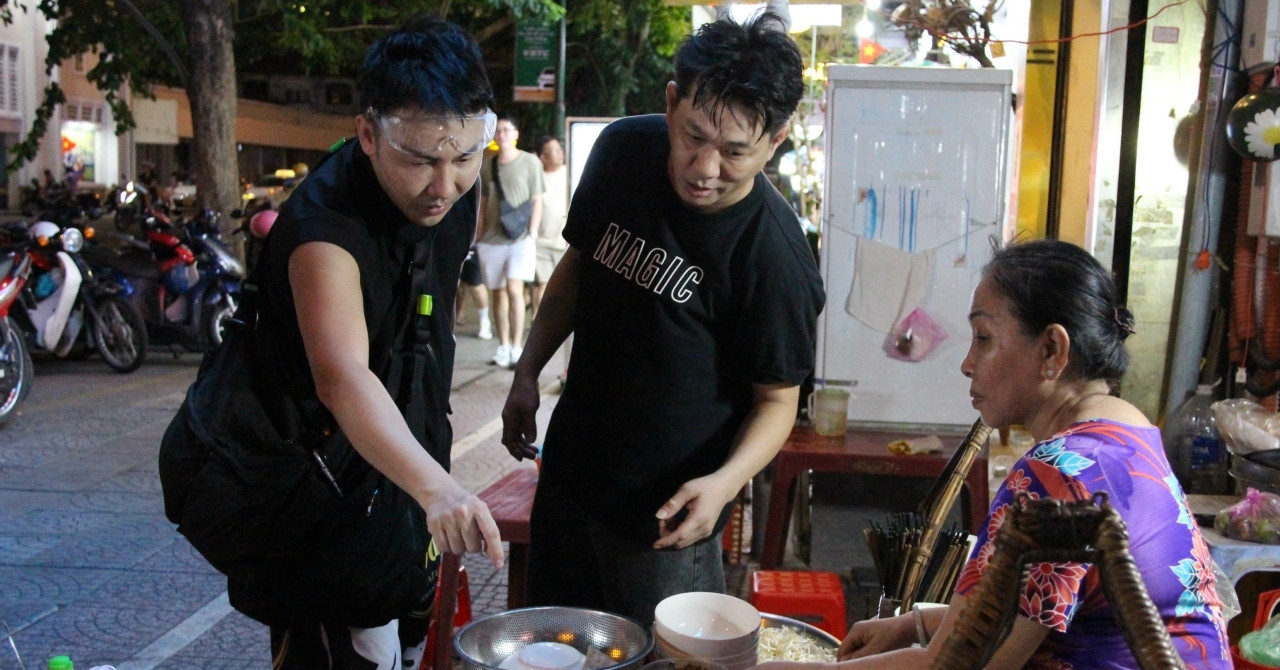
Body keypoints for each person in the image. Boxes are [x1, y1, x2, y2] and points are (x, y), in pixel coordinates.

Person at [160, 17, 504, 670]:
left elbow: (426, 322)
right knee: (338, 644)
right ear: (368, 134)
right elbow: (342, 375)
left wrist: (430, 475)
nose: (443, 185)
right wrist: (437, 488)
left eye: (464, 156)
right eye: (421, 160)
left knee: (403, 632)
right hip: (314, 483)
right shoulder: (323, 232)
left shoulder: (458, 190)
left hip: (401, 466)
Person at [758, 240, 1231, 670]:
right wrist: (914, 624)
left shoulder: (1058, 473)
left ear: (1051, 348)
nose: (967, 362)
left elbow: (962, 665)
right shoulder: (1128, 434)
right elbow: (1025, 615)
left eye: (983, 338)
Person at [500, 11, 824, 625]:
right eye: (693, 136)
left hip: (668, 520)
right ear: (672, 103)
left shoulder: (776, 256)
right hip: (570, 479)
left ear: (776, 139)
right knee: (553, 648)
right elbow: (578, 269)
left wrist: (726, 482)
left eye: (734, 152)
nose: (705, 168)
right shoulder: (623, 151)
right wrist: (526, 372)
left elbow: (777, 403)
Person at [476, 113, 543, 368]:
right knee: (498, 293)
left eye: (507, 130)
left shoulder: (529, 162)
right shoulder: (488, 165)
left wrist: (533, 232)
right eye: (498, 131)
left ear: (516, 134)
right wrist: (479, 232)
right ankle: (503, 345)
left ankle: (517, 346)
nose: (501, 134)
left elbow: (537, 199)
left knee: (515, 289)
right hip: (492, 238)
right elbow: (483, 202)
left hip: (521, 237)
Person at [531, 135, 568, 320]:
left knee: (564, 285)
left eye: (560, 149)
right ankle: (539, 321)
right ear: (543, 157)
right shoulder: (537, 177)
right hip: (541, 241)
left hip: (565, 240)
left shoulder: (569, 173)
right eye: (554, 151)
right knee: (543, 284)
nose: (560, 153)